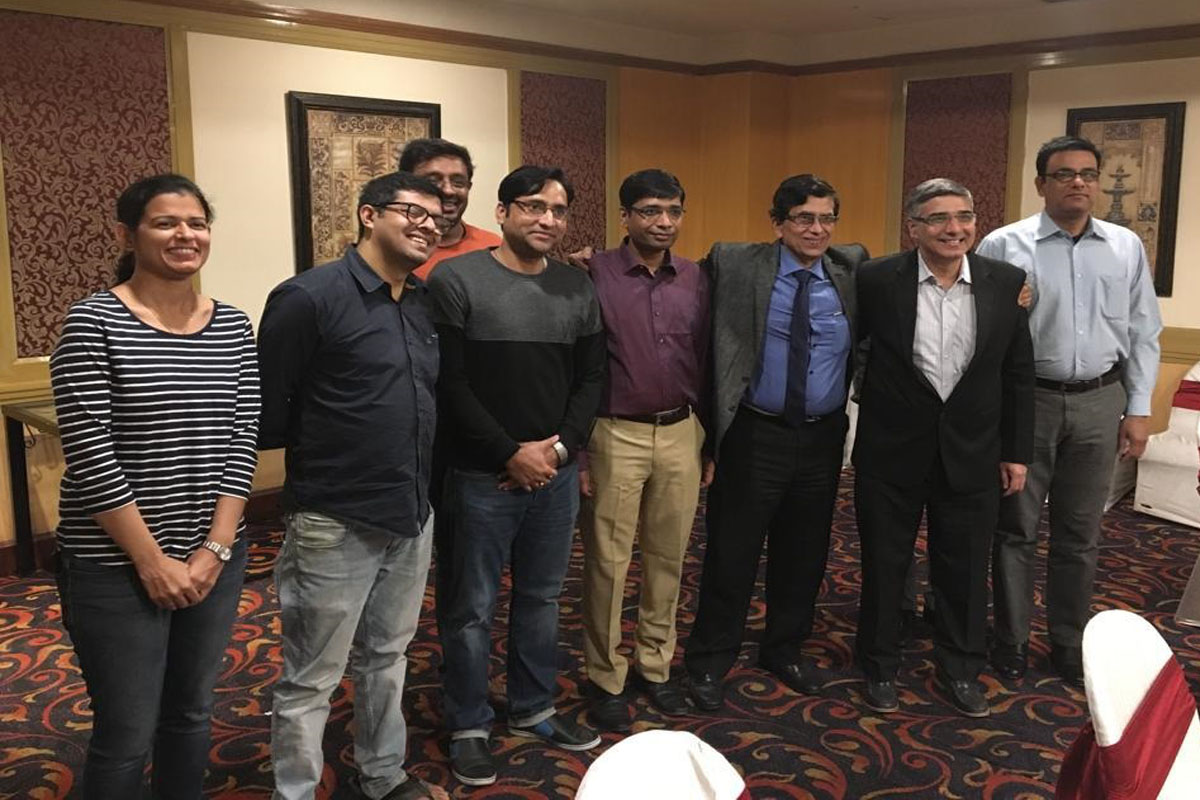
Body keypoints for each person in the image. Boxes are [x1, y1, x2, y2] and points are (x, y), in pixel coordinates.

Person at [50, 173, 259, 799]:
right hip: (115, 564)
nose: (185, 235)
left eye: (196, 223)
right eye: (165, 223)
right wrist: (151, 561)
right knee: (127, 730)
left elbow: (242, 438)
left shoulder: (233, 325)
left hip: (212, 557)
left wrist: (216, 548)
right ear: (129, 235)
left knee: (191, 712)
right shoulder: (93, 322)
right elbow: (91, 456)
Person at [259, 172, 445, 800]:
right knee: (312, 677)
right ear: (369, 215)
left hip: (410, 513)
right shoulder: (308, 298)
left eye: (437, 217)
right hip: (334, 520)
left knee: (387, 660)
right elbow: (271, 408)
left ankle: (383, 777)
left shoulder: (421, 302)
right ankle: (293, 793)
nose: (428, 225)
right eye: (412, 212)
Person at [429, 165, 607, 786]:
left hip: (553, 475)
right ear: (502, 212)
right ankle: (468, 723)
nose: (547, 220)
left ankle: (533, 707)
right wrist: (510, 452)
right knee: (470, 607)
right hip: (480, 476)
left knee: (541, 599)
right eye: (532, 206)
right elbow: (450, 383)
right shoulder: (456, 280)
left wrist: (557, 452)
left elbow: (591, 378)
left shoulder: (576, 287)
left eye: (557, 210)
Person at [978, 135, 1163, 687]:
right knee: (1015, 528)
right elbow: (980, 328)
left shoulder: (1125, 246)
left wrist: (1138, 408)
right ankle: (1011, 639)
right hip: (1027, 401)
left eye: (1088, 173)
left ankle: (1067, 640)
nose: (1078, 182)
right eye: (1064, 174)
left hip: (1100, 399)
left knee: (1080, 532)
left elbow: (1144, 330)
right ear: (1042, 184)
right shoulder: (1004, 245)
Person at [684, 174, 869, 711]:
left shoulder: (853, 268)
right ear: (777, 223)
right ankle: (710, 658)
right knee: (732, 550)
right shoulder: (736, 262)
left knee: (805, 552)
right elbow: (668, 276)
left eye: (827, 219)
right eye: (804, 218)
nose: (817, 230)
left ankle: (784, 648)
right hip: (754, 432)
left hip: (822, 435)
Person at [853, 178, 1035, 717]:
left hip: (974, 452)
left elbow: (1017, 373)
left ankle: (961, 668)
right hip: (891, 451)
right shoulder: (876, 279)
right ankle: (879, 665)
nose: (954, 228)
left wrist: (1016, 452)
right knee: (885, 564)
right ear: (913, 228)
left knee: (965, 568)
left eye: (964, 217)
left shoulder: (1006, 282)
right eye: (938, 218)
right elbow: (851, 347)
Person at [579, 169, 711, 731]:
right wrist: (580, 454)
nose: (664, 222)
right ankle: (605, 675)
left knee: (668, 557)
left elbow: (707, 360)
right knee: (608, 563)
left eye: (673, 211)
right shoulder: (593, 273)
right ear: (625, 217)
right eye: (651, 211)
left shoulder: (697, 277)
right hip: (614, 433)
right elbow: (577, 365)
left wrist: (709, 442)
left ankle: (655, 666)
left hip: (682, 431)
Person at [399, 137, 502, 281]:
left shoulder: (493, 247)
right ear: (405, 186)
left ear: (468, 187)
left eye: (458, 183)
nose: (448, 190)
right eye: (433, 181)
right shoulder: (393, 247)